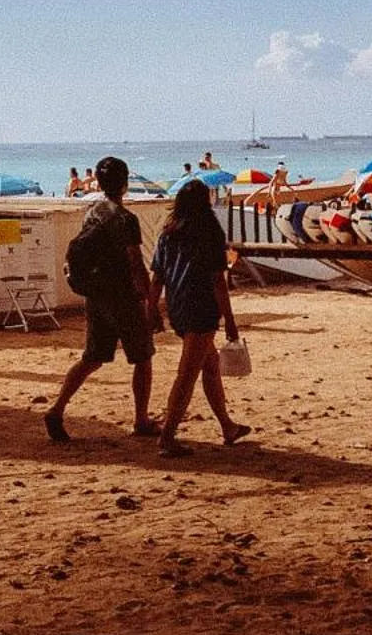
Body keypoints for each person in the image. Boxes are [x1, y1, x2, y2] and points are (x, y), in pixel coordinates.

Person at [44, 156, 159, 443]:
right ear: (125, 183)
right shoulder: (126, 219)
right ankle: (141, 419)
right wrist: (150, 302)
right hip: (123, 296)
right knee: (143, 358)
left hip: (96, 295)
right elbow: (136, 264)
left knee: (92, 358)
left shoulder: (91, 211)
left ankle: (57, 408)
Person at [150, 178, 250, 457]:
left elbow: (157, 277)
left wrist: (153, 310)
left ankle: (228, 426)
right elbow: (218, 280)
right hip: (202, 307)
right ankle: (167, 436)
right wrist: (229, 319)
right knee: (187, 374)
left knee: (210, 365)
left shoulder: (168, 234)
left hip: (177, 306)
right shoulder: (208, 232)